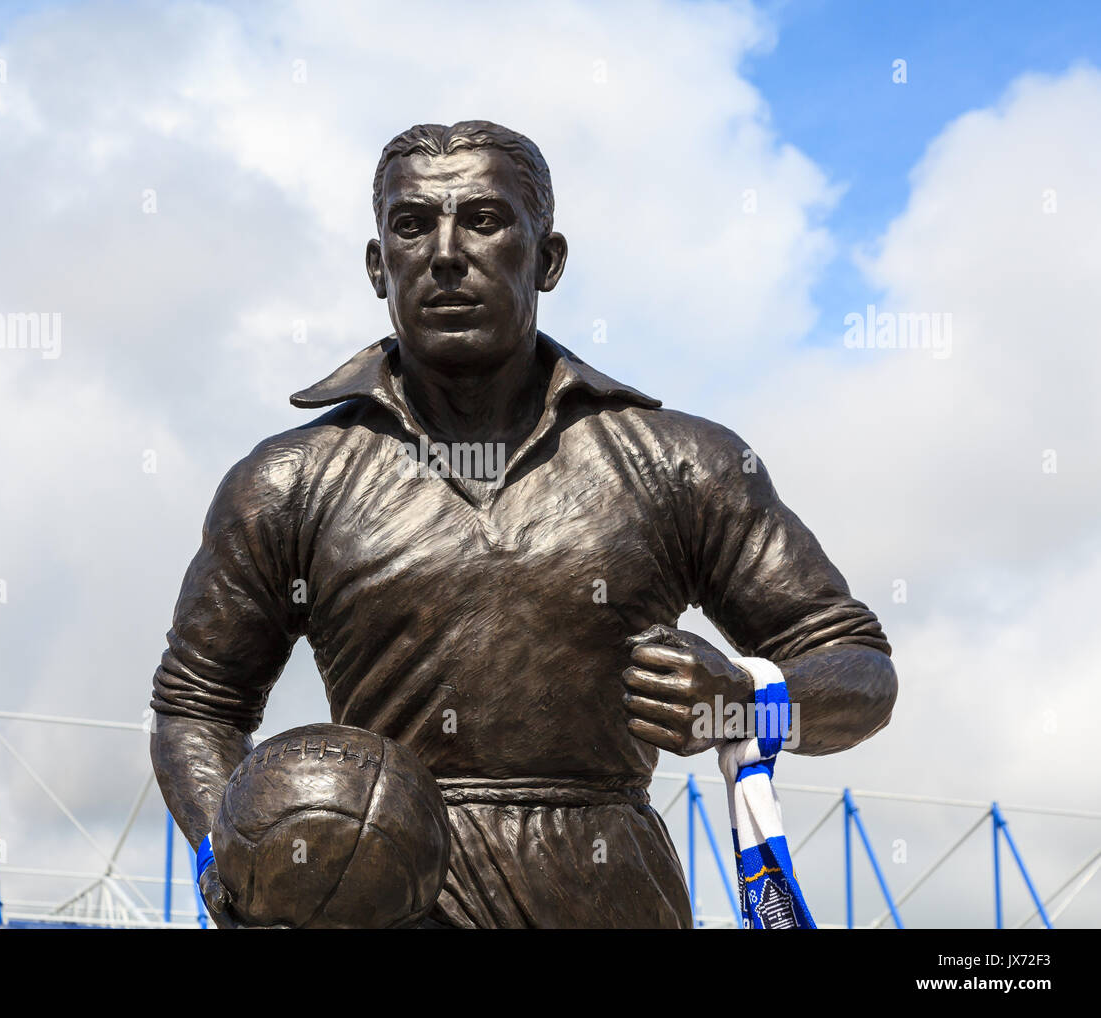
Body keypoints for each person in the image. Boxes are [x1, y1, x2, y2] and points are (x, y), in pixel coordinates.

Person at [150, 121, 897, 928]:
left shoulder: (681, 462)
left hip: (608, 894)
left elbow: (857, 669)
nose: (444, 252)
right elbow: (199, 704)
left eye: (483, 219)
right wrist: (223, 859)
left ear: (547, 257)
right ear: (378, 266)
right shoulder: (287, 481)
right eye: (411, 225)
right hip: (382, 900)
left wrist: (749, 702)